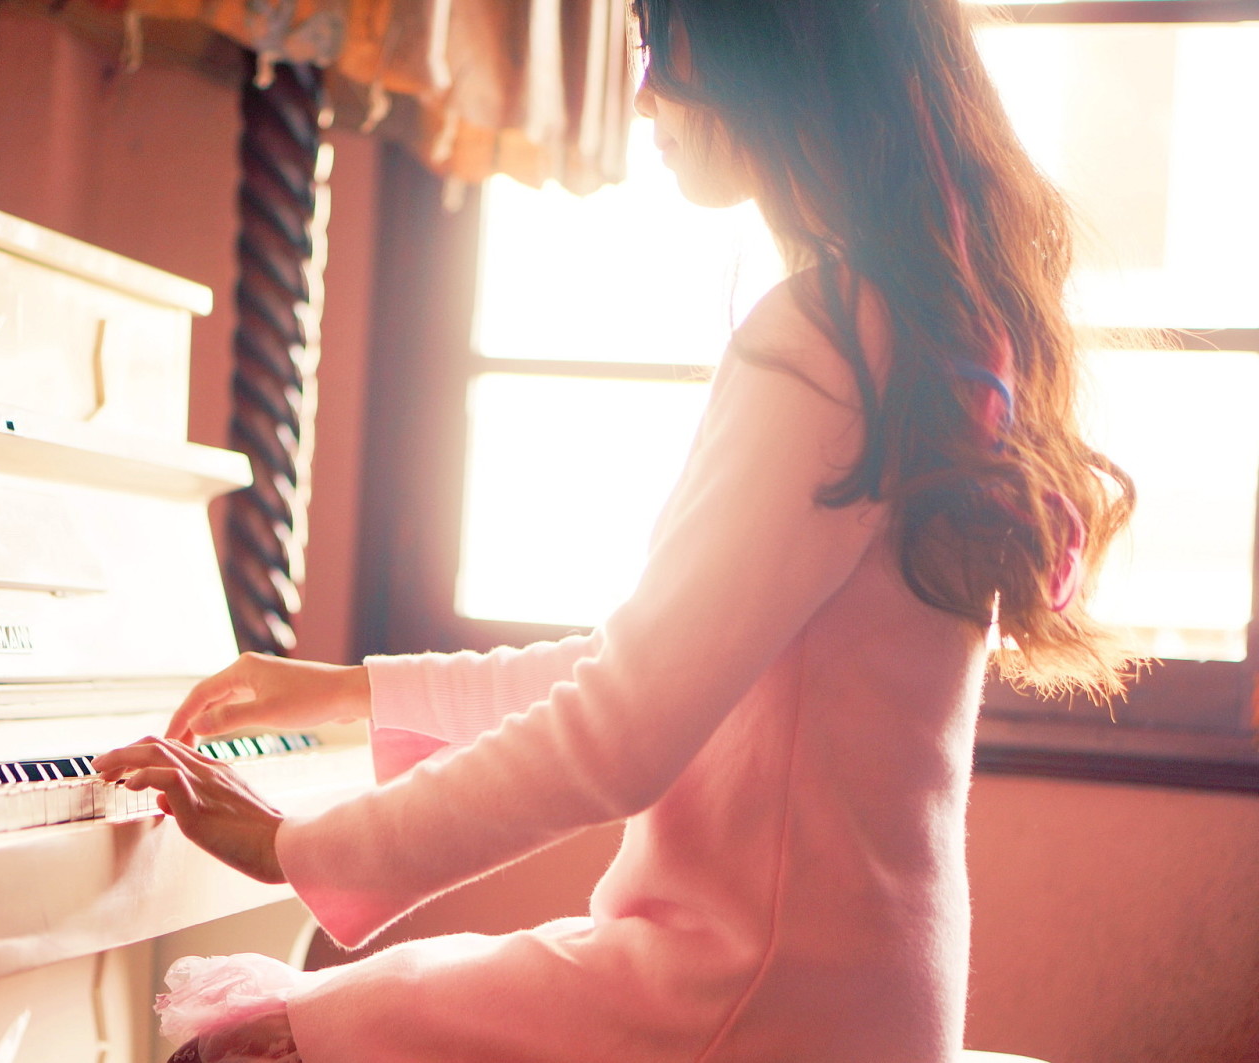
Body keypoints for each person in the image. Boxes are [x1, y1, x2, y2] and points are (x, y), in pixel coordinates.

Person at [93, 0, 1138, 1059]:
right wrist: (351, 689)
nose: (641, 93)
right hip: (841, 1001)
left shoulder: (828, 335)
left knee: (241, 1045)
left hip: (743, 1001)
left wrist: (290, 843)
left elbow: (618, 731)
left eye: (659, 43)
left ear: (772, 48)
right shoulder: (911, 326)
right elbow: (639, 674)